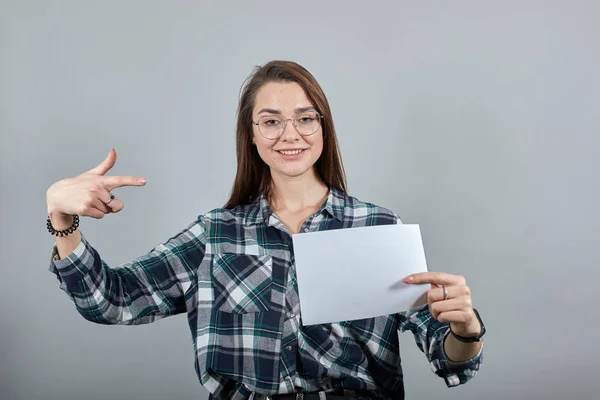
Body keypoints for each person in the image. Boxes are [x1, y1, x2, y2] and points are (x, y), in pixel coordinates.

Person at [46, 60, 485, 400]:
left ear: (323, 127)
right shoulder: (214, 236)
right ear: (252, 135)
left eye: (305, 118)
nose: (289, 134)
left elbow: (448, 358)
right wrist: (62, 222)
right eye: (271, 121)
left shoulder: (377, 227)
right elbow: (113, 301)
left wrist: (465, 330)